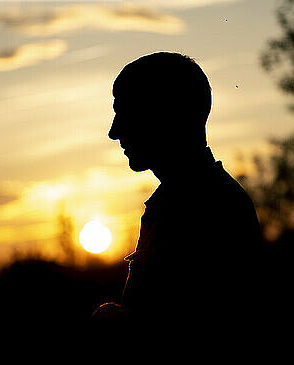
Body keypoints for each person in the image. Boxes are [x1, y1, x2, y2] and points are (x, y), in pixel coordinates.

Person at [92, 52, 261, 325]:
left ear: (164, 114)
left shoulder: (213, 206)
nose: (114, 132)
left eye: (126, 113)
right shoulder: (173, 204)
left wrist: (110, 320)